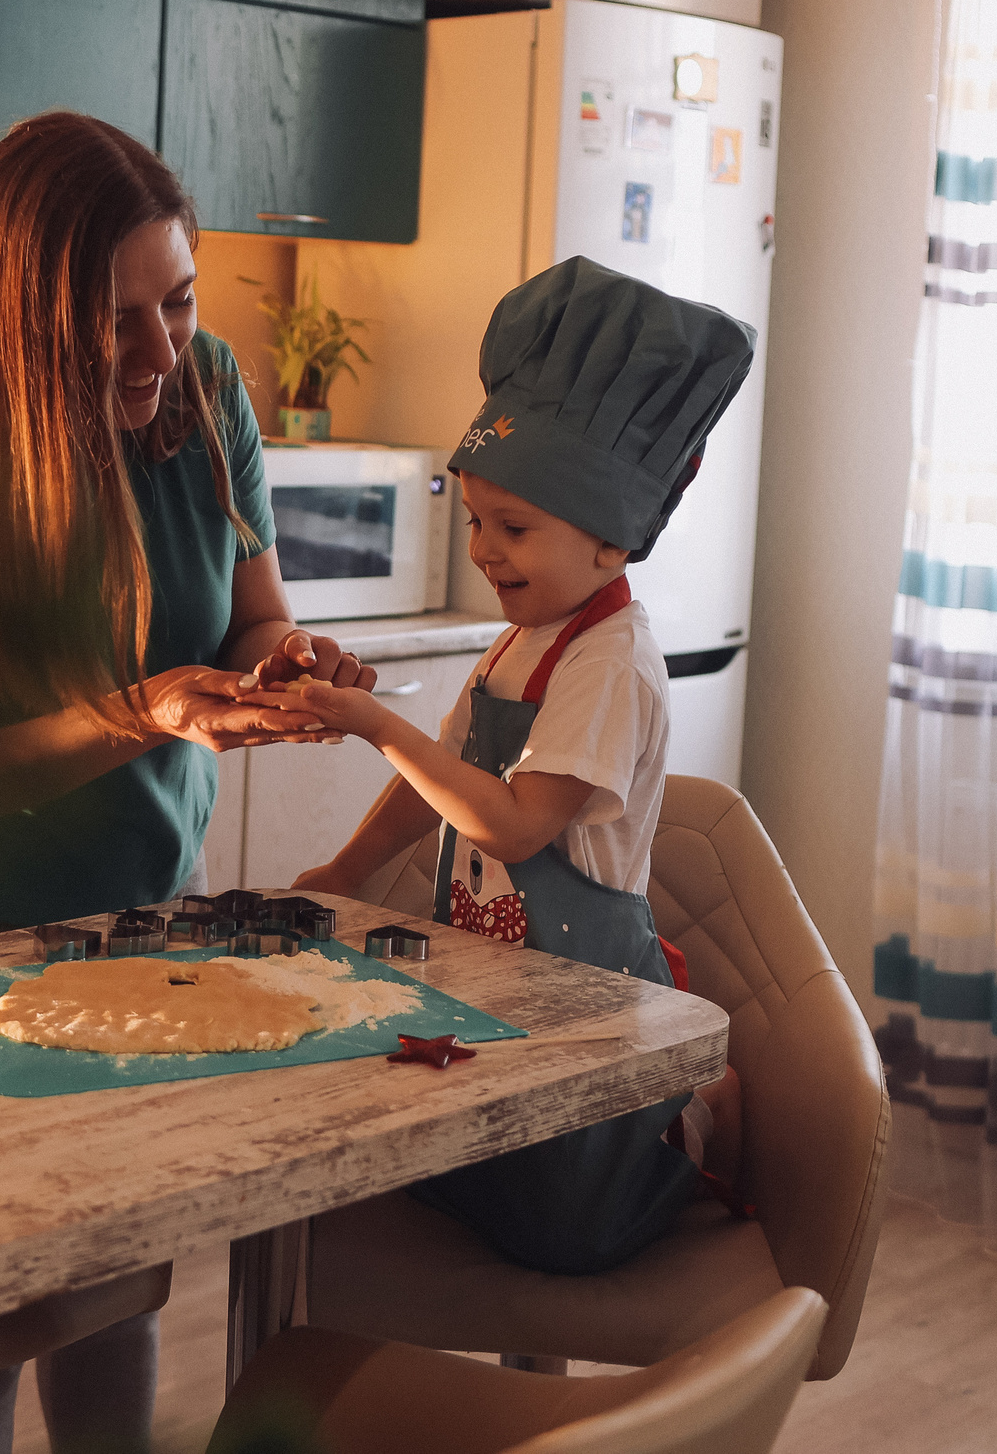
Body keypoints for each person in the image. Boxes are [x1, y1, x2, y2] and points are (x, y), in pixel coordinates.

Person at [0, 111, 373, 1452]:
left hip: (136, 926)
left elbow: (247, 620)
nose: (156, 349)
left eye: (176, 300)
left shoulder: (209, 388)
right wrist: (140, 711)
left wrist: (282, 656)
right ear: (19, 312)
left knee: (111, 1296)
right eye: (112, 317)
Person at [250, 255, 755, 1276]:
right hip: (496, 968)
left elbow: (516, 825)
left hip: (584, 987)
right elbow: (437, 782)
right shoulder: (522, 636)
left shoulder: (609, 661)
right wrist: (346, 870)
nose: (483, 549)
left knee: (566, 1214)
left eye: (514, 527)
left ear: (614, 541)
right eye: (474, 518)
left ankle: (690, 1123)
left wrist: (371, 722)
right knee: (470, 1172)